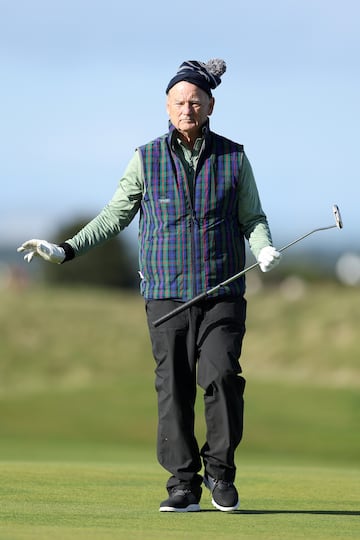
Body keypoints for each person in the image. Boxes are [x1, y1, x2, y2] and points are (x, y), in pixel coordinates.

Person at [18, 58, 281, 513]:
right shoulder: (146, 158)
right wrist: (66, 249)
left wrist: (262, 247)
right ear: (166, 106)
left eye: (195, 101)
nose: (187, 109)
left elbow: (252, 217)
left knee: (220, 375)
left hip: (222, 292)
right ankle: (182, 484)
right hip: (165, 296)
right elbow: (114, 215)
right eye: (179, 101)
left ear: (211, 105)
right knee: (174, 387)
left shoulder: (234, 158)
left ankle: (220, 474)